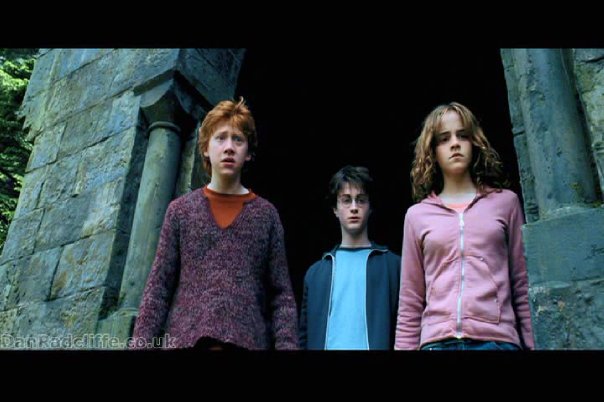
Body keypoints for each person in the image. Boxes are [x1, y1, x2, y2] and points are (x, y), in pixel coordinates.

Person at [131, 97, 298, 350]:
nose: (229, 147)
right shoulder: (180, 211)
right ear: (206, 148)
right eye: (220, 138)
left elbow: (281, 296)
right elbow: (158, 288)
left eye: (238, 139)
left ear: (248, 153)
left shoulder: (266, 216)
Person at [395, 102, 535, 351]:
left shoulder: (506, 203)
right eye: (444, 139)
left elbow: (522, 284)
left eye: (462, 135)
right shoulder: (417, 216)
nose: (455, 144)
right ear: (432, 151)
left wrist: (533, 344)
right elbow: (410, 298)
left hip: (496, 341)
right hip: (437, 343)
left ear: (474, 142)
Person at [299, 166, 401, 350]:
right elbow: (303, 338)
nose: (354, 208)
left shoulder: (393, 267)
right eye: (346, 200)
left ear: (370, 207)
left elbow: (406, 329)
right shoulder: (315, 274)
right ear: (335, 209)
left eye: (361, 200)